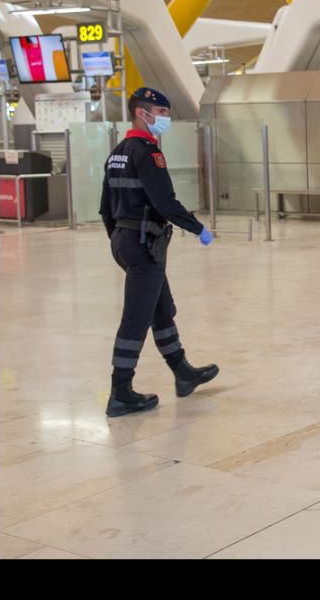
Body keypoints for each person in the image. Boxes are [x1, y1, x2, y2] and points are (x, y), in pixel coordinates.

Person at [99, 87, 219, 417]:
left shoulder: (118, 153)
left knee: (162, 308)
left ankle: (182, 372)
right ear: (143, 113)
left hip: (129, 243)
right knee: (135, 320)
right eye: (162, 113)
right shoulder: (148, 153)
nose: (165, 119)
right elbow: (165, 203)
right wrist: (199, 229)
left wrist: (119, 240)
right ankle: (120, 392)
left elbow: (104, 208)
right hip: (143, 245)